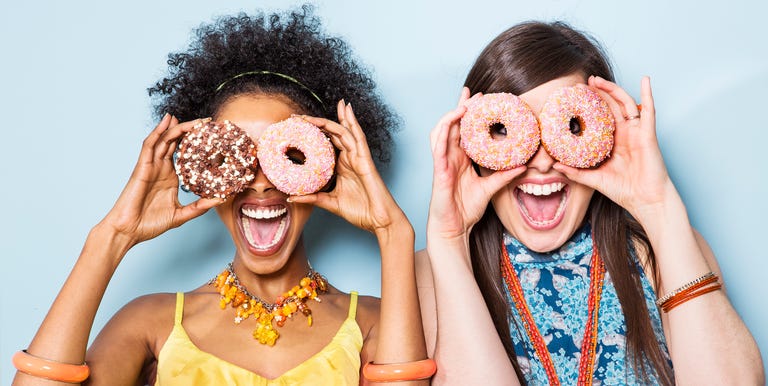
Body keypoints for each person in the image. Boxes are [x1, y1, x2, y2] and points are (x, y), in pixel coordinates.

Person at [13, 6, 431, 385]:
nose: (260, 182)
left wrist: (393, 232)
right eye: (236, 157)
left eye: (280, 156)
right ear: (203, 169)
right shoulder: (151, 322)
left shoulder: (375, 322)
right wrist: (111, 237)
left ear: (323, 167)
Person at [417, 21, 764, 385]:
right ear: (471, 145)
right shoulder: (435, 271)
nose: (541, 161)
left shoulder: (660, 250)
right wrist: (449, 238)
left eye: (570, 126)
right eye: (506, 130)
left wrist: (659, 207)